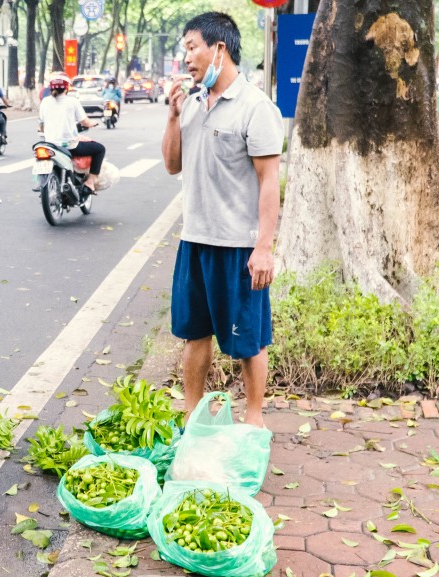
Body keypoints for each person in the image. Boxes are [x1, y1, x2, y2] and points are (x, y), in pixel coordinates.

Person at [161, 12, 283, 428]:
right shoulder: (193, 102)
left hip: (238, 247)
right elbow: (172, 165)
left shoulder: (255, 107)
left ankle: (254, 419)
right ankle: (193, 417)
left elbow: (269, 182)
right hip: (194, 241)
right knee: (194, 334)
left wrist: (263, 248)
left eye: (193, 47)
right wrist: (174, 117)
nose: (187, 58)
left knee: (248, 339)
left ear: (219, 49)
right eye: (185, 50)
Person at [38, 76, 105, 193]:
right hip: (69, 145)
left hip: (49, 145)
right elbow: (85, 122)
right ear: (67, 88)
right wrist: (93, 123)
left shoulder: (45, 101)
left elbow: (41, 124)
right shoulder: (72, 101)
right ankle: (90, 182)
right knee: (100, 149)